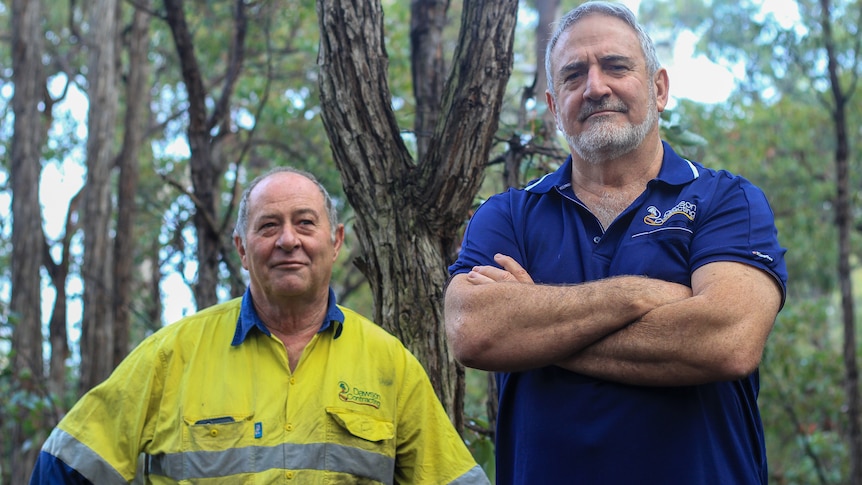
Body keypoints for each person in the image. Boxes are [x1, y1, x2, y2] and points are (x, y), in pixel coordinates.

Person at [444, 2, 787, 484]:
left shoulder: (725, 200)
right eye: (573, 75)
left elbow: (726, 341)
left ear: (659, 88)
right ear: (552, 107)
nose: (596, 87)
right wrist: (642, 295)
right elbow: (473, 330)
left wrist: (535, 333)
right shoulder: (508, 215)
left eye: (616, 66)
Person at [31, 167, 489, 484]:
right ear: (242, 249)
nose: (288, 240)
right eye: (268, 226)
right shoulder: (171, 355)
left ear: (335, 242)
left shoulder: (390, 364)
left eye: (305, 223)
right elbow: (67, 464)